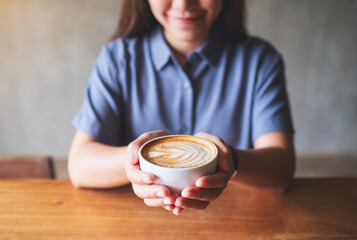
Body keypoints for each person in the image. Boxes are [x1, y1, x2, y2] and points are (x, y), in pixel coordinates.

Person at [68, 0, 295, 216]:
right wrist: (136, 161)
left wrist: (230, 159)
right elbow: (79, 167)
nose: (183, 4)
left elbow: (281, 171)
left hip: (238, 220)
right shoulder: (117, 59)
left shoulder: (260, 61)